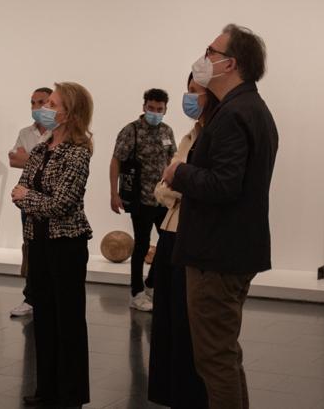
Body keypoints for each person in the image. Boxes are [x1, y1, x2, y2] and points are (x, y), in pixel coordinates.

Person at [162, 24, 277, 409]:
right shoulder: (249, 108)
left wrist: (180, 172)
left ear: (231, 64)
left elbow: (225, 185)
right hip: (230, 249)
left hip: (218, 253)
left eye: (210, 51)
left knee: (213, 358)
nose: (203, 57)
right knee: (223, 354)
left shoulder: (233, 115)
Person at [12, 82, 94, 408]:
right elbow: (18, 190)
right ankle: (46, 389)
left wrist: (29, 197)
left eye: (52, 103)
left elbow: (60, 202)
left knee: (68, 321)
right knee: (44, 319)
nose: (46, 107)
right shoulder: (41, 148)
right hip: (39, 240)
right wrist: (31, 198)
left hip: (67, 245)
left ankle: (70, 394)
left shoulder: (78, 152)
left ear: (68, 113)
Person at [148, 74, 212, 408]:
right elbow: (162, 186)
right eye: (187, 91)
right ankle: (169, 392)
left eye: (195, 91)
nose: (190, 97)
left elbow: (181, 181)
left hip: (190, 235)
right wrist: (173, 186)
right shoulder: (190, 135)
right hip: (170, 233)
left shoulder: (210, 135)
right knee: (167, 321)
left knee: (186, 323)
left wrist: (174, 184)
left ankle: (187, 395)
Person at [110, 88, 176, 312]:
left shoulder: (167, 131)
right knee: (141, 245)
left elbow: (172, 161)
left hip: (163, 200)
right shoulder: (132, 131)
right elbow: (116, 161)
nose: (155, 112)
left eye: (159, 109)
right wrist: (114, 193)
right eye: (151, 108)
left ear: (166, 109)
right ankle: (136, 292)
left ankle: (151, 284)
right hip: (141, 198)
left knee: (169, 243)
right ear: (144, 106)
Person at [8, 87, 53, 318]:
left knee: (50, 251)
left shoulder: (60, 133)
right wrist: (38, 160)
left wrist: (31, 158)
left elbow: (50, 163)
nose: (37, 107)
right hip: (27, 198)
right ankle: (30, 297)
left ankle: (49, 297)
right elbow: (13, 159)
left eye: (42, 102)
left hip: (51, 200)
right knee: (31, 248)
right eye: (33, 103)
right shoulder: (26, 132)